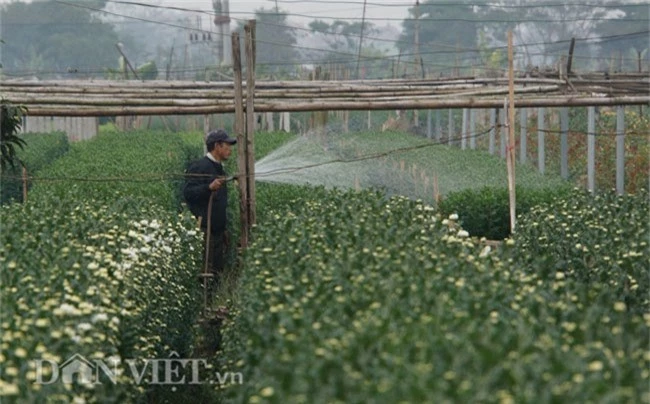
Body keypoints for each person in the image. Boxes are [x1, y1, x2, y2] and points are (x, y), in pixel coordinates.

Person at [184, 129, 237, 287]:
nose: (230, 149)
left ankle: (215, 304)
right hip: (205, 230)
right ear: (217, 146)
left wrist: (223, 227)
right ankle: (205, 306)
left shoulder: (219, 167)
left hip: (217, 230)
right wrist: (208, 187)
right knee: (206, 272)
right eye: (227, 145)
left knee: (217, 272)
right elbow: (188, 193)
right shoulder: (200, 167)